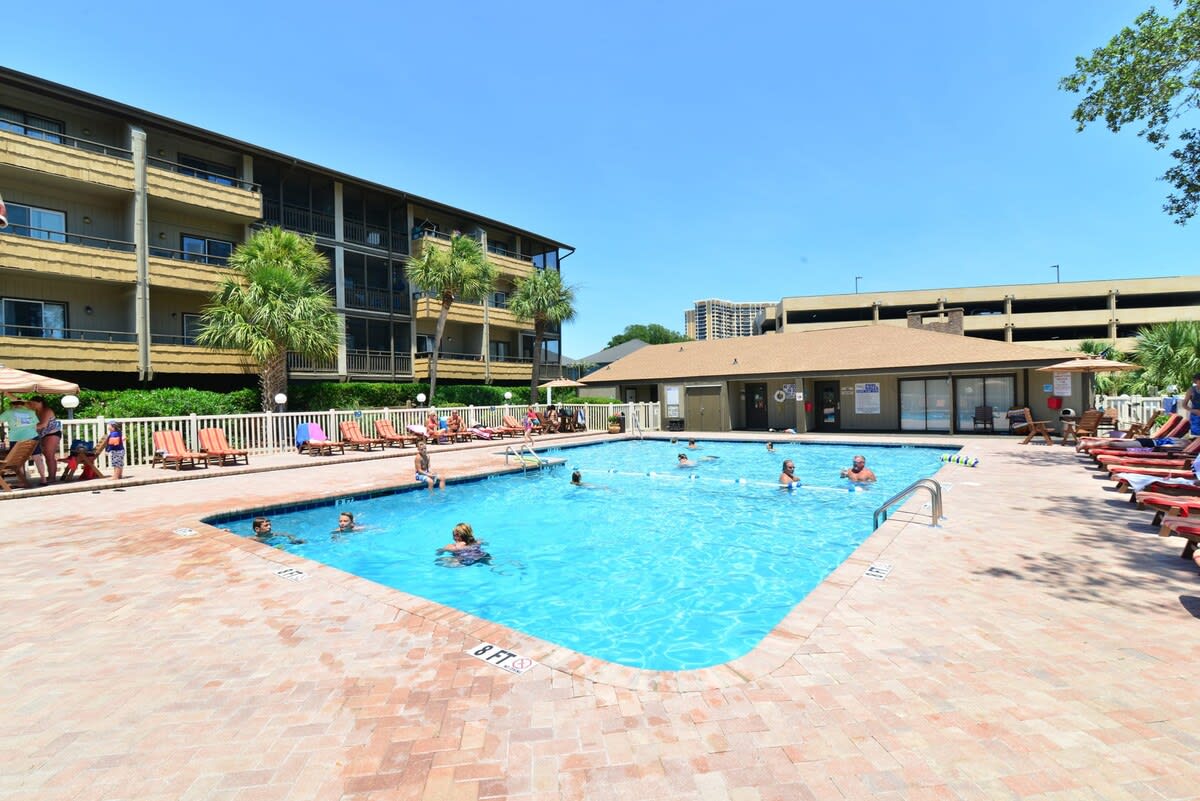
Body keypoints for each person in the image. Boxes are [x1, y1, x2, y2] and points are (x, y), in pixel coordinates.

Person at [28, 395, 62, 484]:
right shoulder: (35, 412)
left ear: (40, 403)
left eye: (33, 404)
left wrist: (27, 428)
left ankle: (52, 477)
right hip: (43, 435)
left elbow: (43, 425)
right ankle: (50, 476)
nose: (32, 405)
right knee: (46, 456)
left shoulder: (47, 410)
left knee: (50, 456)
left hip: (52, 434)